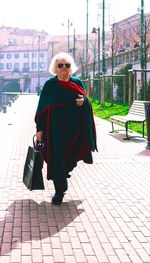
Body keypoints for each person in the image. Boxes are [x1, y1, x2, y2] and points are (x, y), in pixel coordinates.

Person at [34, 52, 97, 205]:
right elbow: (41, 109)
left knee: (69, 158)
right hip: (54, 130)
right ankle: (59, 190)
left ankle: (64, 173)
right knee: (56, 158)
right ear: (55, 67)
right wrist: (39, 130)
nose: (63, 68)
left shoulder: (77, 83)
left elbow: (86, 102)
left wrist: (84, 102)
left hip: (74, 130)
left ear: (71, 67)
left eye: (67, 65)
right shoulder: (50, 85)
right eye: (60, 65)